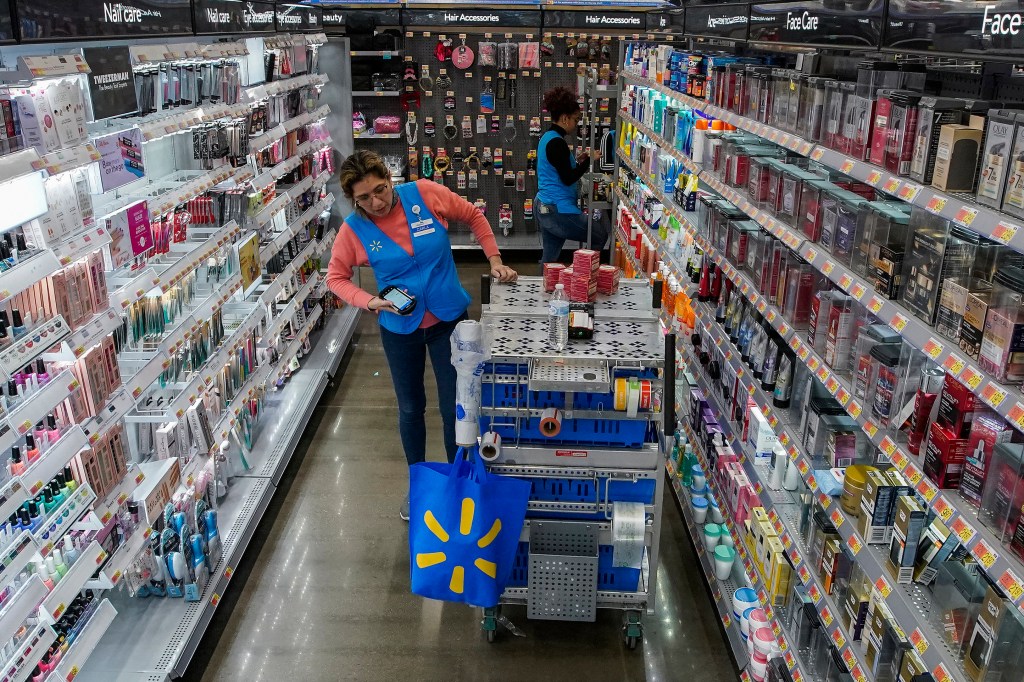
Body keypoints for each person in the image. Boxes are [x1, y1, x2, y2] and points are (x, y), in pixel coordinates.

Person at [326, 151, 518, 520]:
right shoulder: (353, 230)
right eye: (364, 198)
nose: (376, 202)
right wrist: (370, 302)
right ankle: (418, 487)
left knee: (456, 409)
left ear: (390, 176)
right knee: (411, 408)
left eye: (380, 190)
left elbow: (474, 215)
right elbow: (335, 277)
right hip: (400, 331)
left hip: (450, 321)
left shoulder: (426, 193)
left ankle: (459, 482)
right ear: (353, 199)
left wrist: (494, 258)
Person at [536, 86, 610, 264]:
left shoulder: (549, 137)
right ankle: (584, 279)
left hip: (547, 206)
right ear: (564, 118)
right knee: (599, 235)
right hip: (558, 209)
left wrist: (579, 161)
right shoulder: (557, 143)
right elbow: (568, 177)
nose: (576, 125)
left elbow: (559, 169)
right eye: (575, 120)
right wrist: (589, 161)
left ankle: (546, 286)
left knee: (549, 259)